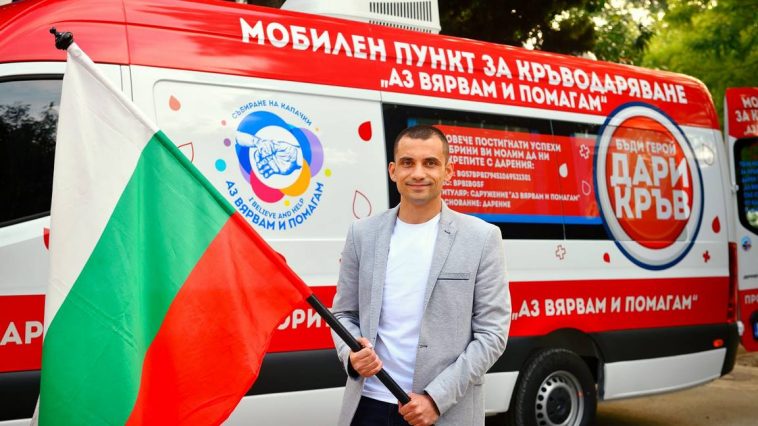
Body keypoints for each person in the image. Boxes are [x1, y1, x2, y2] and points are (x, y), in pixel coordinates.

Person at [331, 124, 511, 426]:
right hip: (368, 405)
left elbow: (492, 334)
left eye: (430, 163)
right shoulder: (362, 233)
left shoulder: (482, 238)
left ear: (448, 171)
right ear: (393, 171)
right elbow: (343, 314)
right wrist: (350, 354)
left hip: (442, 411)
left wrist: (436, 398)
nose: (418, 173)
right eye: (407, 162)